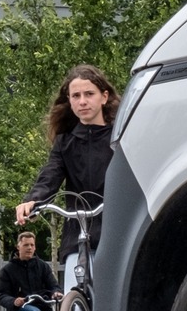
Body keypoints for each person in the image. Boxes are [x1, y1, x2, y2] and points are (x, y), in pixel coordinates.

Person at [13, 63, 120, 293]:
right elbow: (50, 174)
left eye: (89, 94)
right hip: (78, 233)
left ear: (104, 96)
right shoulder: (65, 142)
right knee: (74, 294)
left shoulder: (120, 137)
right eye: (76, 96)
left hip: (117, 231)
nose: (82, 101)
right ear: (70, 101)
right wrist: (34, 200)